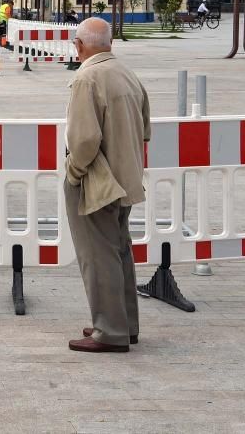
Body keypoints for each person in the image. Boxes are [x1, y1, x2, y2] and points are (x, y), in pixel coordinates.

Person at [64, 18, 151, 353]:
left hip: (97, 182)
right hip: (125, 178)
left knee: (97, 257)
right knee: (119, 252)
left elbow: (85, 140)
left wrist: (73, 172)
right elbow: (145, 128)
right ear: (110, 43)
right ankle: (124, 324)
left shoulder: (87, 77)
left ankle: (109, 330)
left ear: (79, 45)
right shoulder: (126, 73)